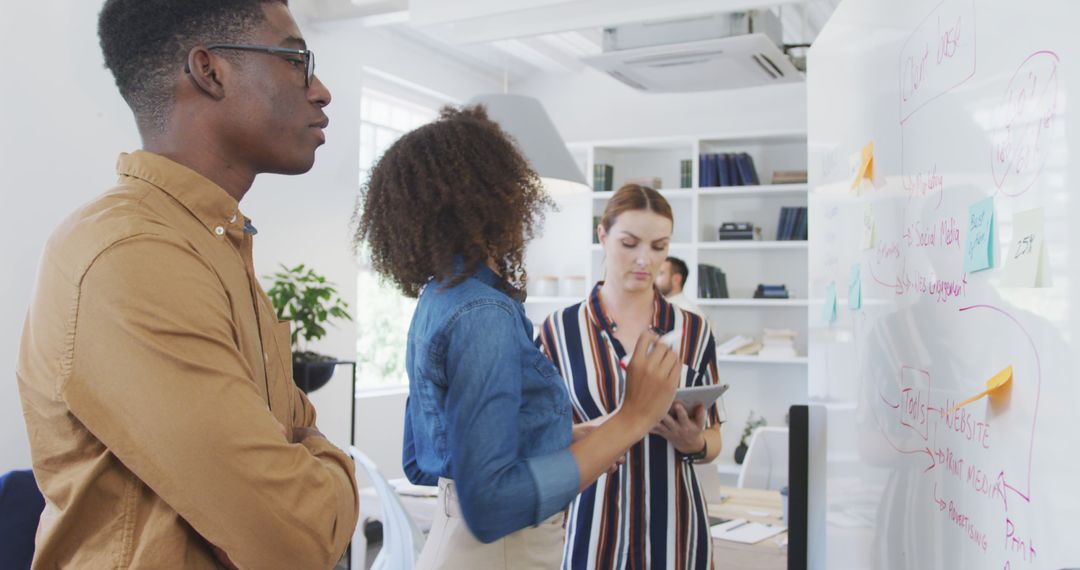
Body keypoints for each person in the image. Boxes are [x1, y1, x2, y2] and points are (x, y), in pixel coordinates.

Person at [15, 1, 358, 568]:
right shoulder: (134, 254)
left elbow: (294, 464)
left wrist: (306, 464)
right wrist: (324, 466)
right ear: (210, 71)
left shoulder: (212, 242)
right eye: (297, 60)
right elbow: (298, 535)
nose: (320, 90)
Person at [354, 105, 681, 569]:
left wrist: (561, 437)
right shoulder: (483, 314)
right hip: (500, 553)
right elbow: (492, 506)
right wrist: (632, 418)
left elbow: (427, 457)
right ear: (496, 197)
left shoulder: (441, 298)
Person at [538, 184, 724, 569]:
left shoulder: (694, 330)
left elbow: (714, 439)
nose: (644, 259)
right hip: (589, 535)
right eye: (630, 243)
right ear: (603, 236)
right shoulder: (559, 331)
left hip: (678, 537)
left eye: (659, 247)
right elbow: (536, 438)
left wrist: (694, 442)